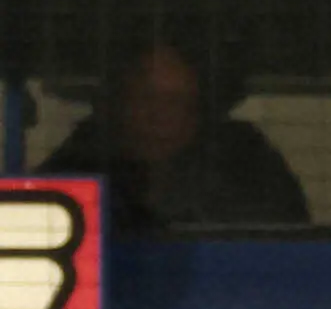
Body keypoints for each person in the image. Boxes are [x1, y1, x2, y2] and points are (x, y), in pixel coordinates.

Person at [38, 39, 309, 232]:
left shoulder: (249, 176)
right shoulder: (69, 174)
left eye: (176, 102)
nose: (158, 116)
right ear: (114, 105)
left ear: (199, 114)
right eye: (145, 98)